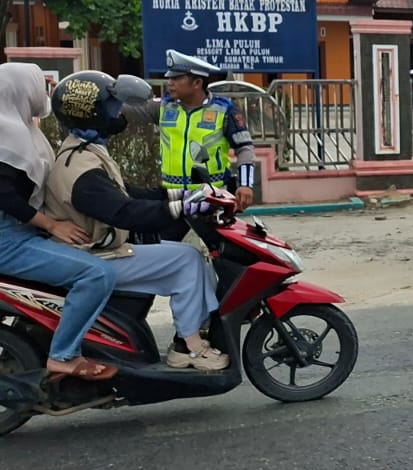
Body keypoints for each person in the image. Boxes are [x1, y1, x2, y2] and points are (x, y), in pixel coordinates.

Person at [42, 72, 229, 372]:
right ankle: (189, 347)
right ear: (93, 113)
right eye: (113, 107)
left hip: (100, 247)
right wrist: (182, 208)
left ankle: (191, 333)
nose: (118, 114)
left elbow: (129, 192)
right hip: (96, 256)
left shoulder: (84, 150)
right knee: (187, 259)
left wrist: (179, 194)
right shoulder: (82, 170)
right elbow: (126, 212)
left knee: (183, 256)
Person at [0, 63, 117, 404]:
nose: (44, 94)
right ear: (20, 91)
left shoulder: (19, 127)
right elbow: (5, 196)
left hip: (16, 232)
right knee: (97, 274)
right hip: (8, 238)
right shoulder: (9, 135)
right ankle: (63, 355)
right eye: (39, 86)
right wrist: (52, 225)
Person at [153, 51, 259, 212]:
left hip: (211, 197)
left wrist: (245, 185)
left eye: (176, 78)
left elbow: (244, 148)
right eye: (169, 78)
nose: (169, 83)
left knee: (213, 237)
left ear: (196, 83)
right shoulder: (162, 107)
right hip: (171, 196)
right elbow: (130, 111)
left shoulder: (224, 110)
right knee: (167, 238)